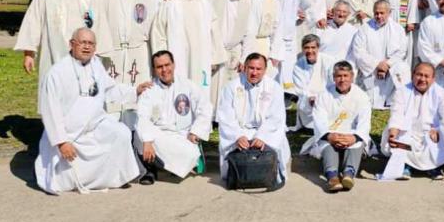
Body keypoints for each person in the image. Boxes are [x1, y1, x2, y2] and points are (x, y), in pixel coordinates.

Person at [35, 28, 145, 194]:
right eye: (83, 42)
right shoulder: (57, 73)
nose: (87, 47)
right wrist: (62, 142)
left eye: (91, 44)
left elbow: (110, 90)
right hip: (69, 134)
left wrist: (134, 91)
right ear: (72, 44)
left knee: (121, 132)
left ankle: (116, 177)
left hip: (95, 126)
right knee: (63, 181)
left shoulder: (96, 66)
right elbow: (50, 110)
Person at [91, 0, 155, 127]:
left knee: (138, 96)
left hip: (137, 51)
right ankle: (109, 129)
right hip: (112, 50)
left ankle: (135, 132)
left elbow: (153, 23)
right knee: (111, 94)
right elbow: (96, 23)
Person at [135, 50, 213, 183]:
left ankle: (166, 164)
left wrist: (196, 131)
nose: (164, 70)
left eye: (167, 65)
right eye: (159, 67)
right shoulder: (150, 90)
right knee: (139, 134)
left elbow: (205, 107)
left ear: (174, 64)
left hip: (181, 135)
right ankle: (150, 169)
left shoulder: (187, 85)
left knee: (190, 154)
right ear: (154, 69)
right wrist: (147, 141)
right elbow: (142, 116)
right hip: (157, 135)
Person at [151, 0, 225, 104]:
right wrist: (161, 60)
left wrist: (214, 58)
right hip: (176, 58)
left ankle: (200, 122)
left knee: (200, 92)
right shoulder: (169, 3)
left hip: (201, 58)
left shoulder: (205, 4)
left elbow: (215, 32)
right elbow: (158, 32)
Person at [216, 53, 291, 186]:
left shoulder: (274, 88)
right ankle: (238, 177)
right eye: (251, 68)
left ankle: (271, 175)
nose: (254, 73)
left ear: (265, 70)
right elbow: (226, 116)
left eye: (258, 69)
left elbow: (276, 117)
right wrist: (237, 136)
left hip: (265, 132)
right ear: (244, 68)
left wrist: (263, 137)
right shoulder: (231, 87)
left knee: (276, 145)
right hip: (240, 131)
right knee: (234, 148)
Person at [381, 63, 444, 180]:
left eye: (426, 76)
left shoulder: (442, 94)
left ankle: (434, 168)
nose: (422, 79)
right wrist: (393, 134)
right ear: (412, 75)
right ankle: (407, 166)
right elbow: (396, 115)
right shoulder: (401, 92)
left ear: (433, 79)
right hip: (408, 132)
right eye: (419, 75)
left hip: (431, 134)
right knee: (399, 137)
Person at [15, 0, 92, 79]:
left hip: (82, 57)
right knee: (51, 90)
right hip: (51, 54)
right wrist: (29, 54)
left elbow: (98, 26)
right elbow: (33, 23)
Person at [306, 61, 372, 192]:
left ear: (352, 76)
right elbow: (319, 121)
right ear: (333, 77)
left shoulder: (362, 97)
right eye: (339, 76)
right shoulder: (324, 96)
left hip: (351, 135)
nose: (342, 80)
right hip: (330, 134)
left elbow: (364, 123)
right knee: (326, 144)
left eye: (346, 76)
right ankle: (332, 177)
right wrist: (330, 136)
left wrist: (354, 138)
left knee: (357, 144)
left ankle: (348, 175)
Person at [350, 0, 410, 110]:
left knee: (402, 68)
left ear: (389, 13)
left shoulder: (398, 29)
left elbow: (401, 51)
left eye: (382, 13)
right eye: (376, 13)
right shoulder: (364, 29)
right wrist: (377, 64)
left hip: (391, 70)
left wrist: (386, 65)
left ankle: (400, 102)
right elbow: (359, 51)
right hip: (372, 71)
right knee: (372, 103)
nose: (379, 16)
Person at [211, 0, 252, 110]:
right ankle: (211, 116)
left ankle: (227, 115)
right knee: (212, 86)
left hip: (234, 51)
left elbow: (249, 34)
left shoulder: (247, 4)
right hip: (213, 50)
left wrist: (245, 58)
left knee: (231, 86)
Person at [268, 0, 304, 91]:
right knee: (271, 70)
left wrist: (300, 12)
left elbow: (304, 4)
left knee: (288, 68)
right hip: (269, 35)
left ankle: (287, 97)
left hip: (288, 33)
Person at [291, 34, 336, 130]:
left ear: (318, 48)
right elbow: (300, 88)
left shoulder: (329, 61)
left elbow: (333, 83)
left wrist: (321, 98)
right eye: (306, 48)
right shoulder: (298, 65)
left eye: (313, 47)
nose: (310, 51)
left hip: (326, 97)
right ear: (302, 49)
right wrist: (310, 97)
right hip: (308, 100)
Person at [245, 0, 280, 76]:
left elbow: (277, 28)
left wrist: (275, 53)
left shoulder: (273, 1)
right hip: (244, 44)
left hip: (263, 43)